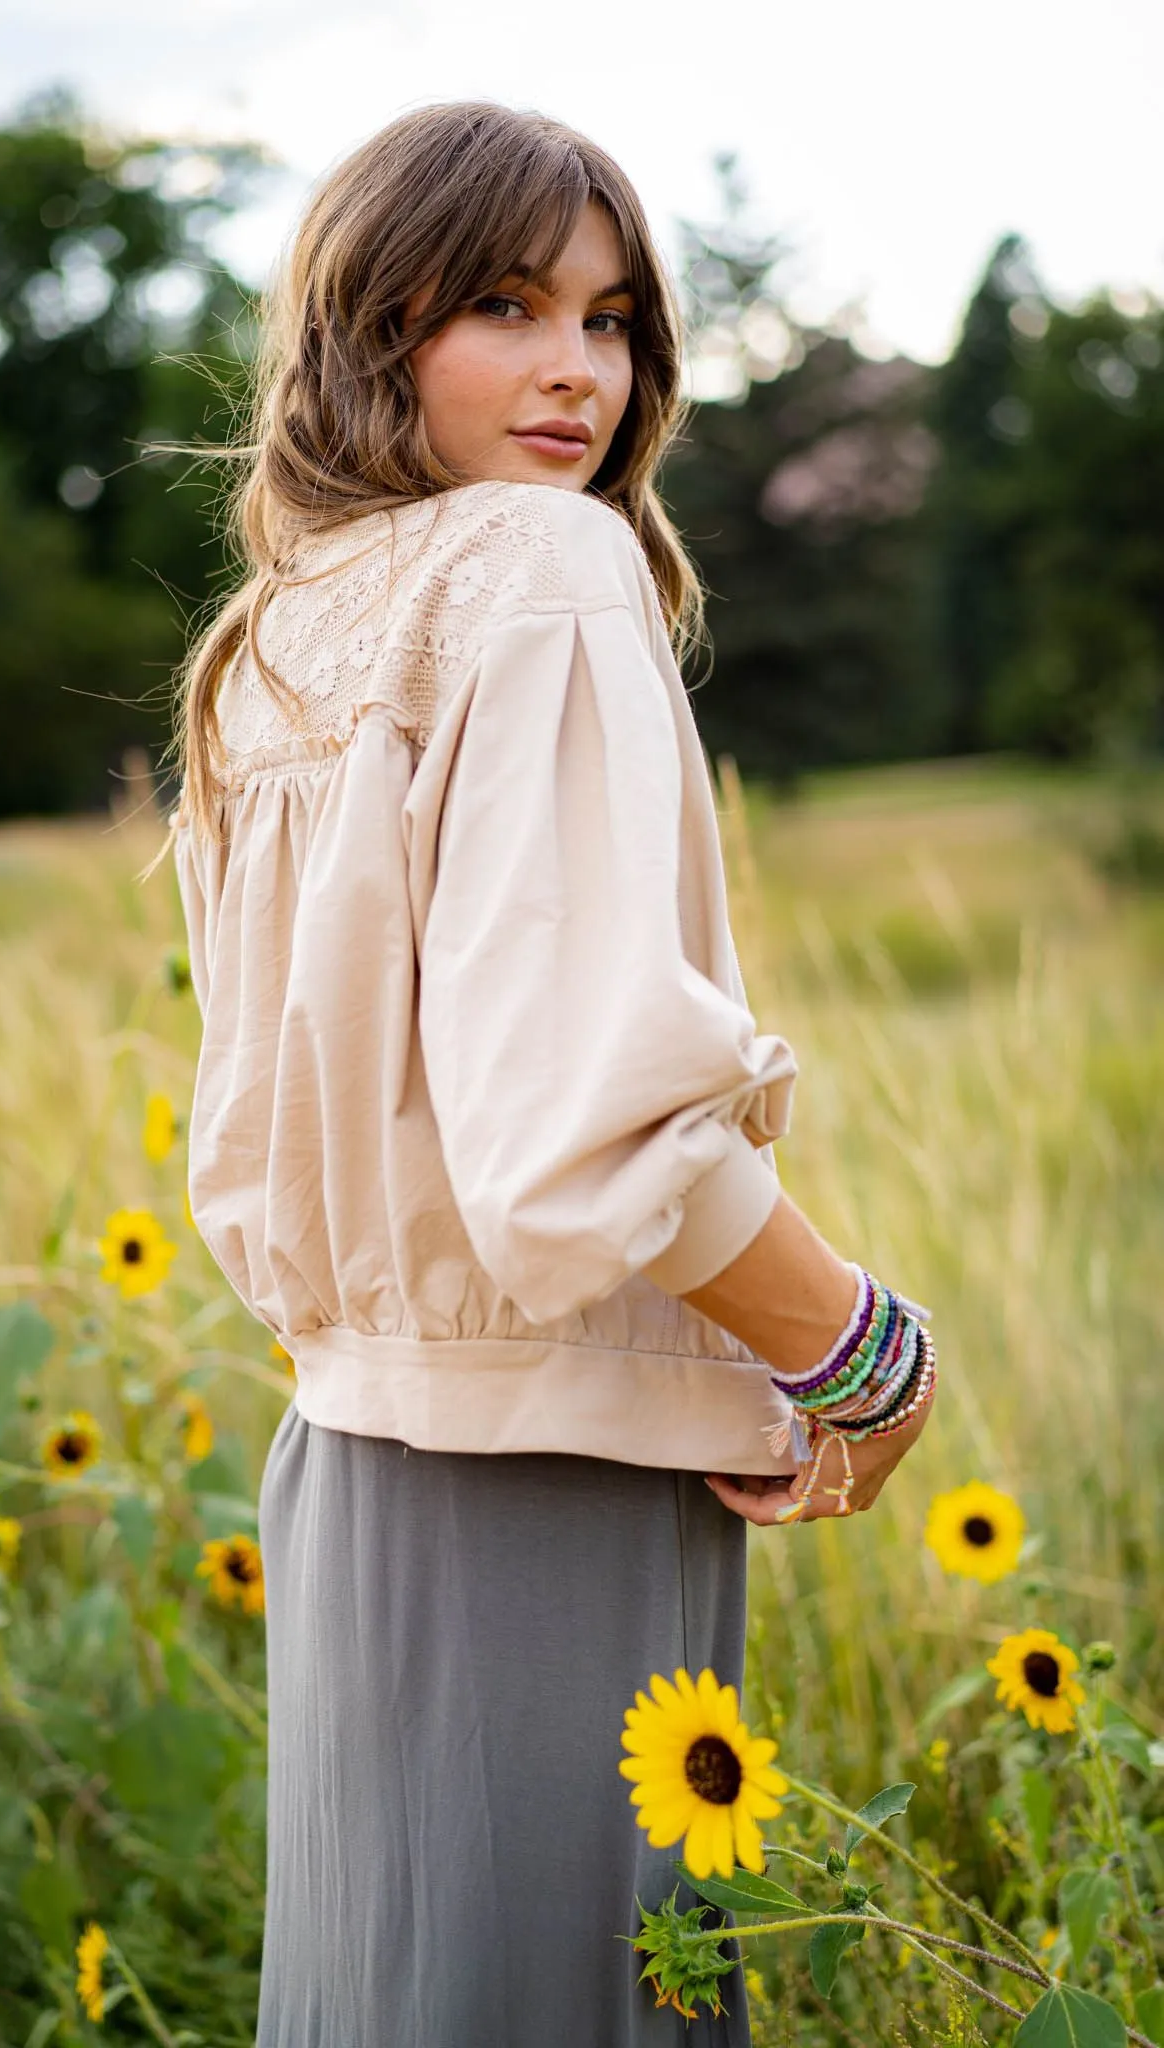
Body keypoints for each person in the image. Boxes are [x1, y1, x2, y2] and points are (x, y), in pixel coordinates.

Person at [165, 100, 936, 2048]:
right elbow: (578, 1125)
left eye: (612, 321)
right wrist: (856, 1348)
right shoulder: (540, 566)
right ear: (372, 321)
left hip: (344, 1467)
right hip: (546, 1479)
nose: (576, 371)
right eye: (506, 305)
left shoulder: (275, 638)